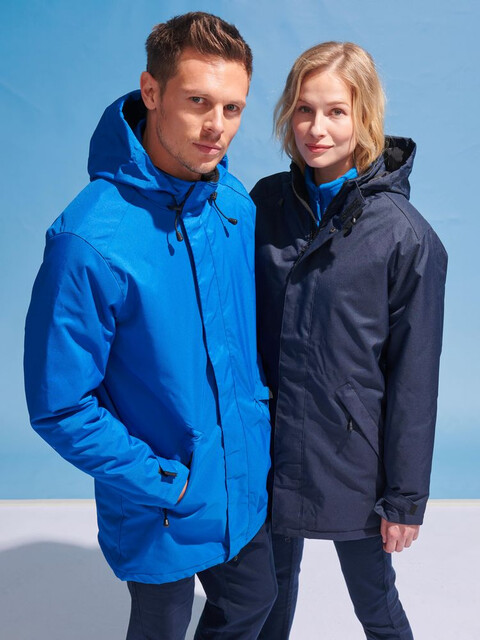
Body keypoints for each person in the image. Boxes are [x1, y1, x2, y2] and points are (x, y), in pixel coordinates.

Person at [24, 12, 276, 640]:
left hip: (238, 477)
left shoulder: (234, 207)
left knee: (255, 599)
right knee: (161, 625)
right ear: (152, 91)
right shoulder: (88, 240)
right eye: (198, 102)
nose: (217, 127)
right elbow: (60, 405)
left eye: (233, 108)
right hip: (158, 495)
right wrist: (166, 481)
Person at [252, 41, 447, 639]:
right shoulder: (264, 205)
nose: (317, 128)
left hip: (354, 458)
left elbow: (415, 379)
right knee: (262, 603)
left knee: (375, 604)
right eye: (304, 110)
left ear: (365, 117)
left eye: (336, 111)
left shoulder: (406, 238)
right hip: (266, 451)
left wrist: (404, 499)